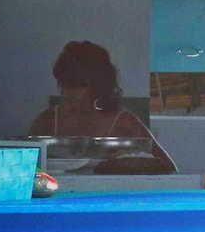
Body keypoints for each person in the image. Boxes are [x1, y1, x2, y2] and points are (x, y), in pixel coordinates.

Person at [28, 40, 177, 173]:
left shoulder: (125, 123)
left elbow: (169, 169)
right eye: (65, 85)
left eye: (79, 86)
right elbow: (24, 167)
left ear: (99, 85)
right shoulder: (47, 121)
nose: (70, 94)